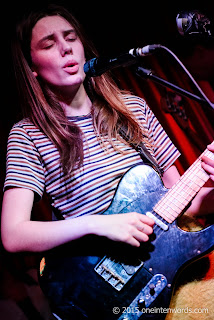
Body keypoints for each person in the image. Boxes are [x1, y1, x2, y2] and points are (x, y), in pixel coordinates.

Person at [1, 4, 214, 320]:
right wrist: (100, 225)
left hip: (167, 267)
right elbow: (14, 234)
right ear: (33, 67)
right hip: (98, 288)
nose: (65, 48)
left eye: (71, 37)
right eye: (49, 44)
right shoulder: (28, 134)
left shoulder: (133, 109)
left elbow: (183, 204)